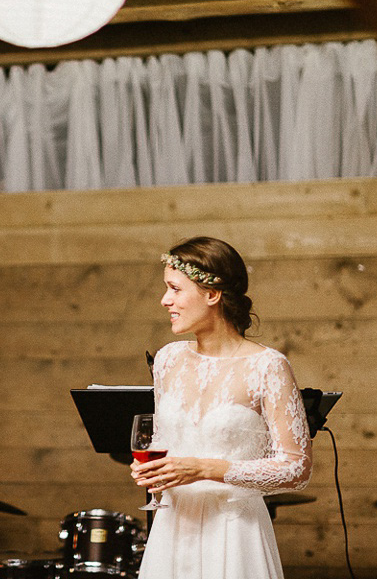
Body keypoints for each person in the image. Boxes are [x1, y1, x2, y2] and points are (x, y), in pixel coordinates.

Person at [131, 236, 312, 579]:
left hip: (234, 534)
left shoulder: (268, 367)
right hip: (172, 529)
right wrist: (154, 469)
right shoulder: (168, 359)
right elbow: (163, 440)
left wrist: (204, 469)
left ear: (211, 294)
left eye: (175, 289)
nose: (165, 300)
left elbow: (297, 468)